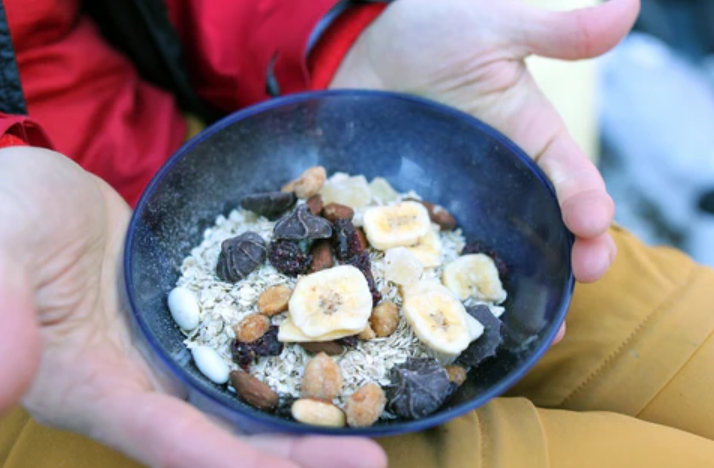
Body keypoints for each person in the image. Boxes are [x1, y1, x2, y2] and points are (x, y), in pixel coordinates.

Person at [5, 0, 713, 467]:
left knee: (678, 331)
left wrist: (337, 32)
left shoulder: (376, 254)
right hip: (61, 275)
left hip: (208, 132)